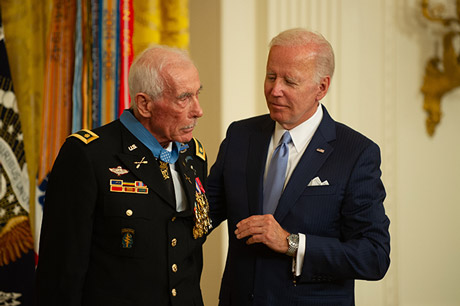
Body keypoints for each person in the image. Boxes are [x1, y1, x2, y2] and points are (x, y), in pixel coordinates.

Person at [207, 28, 391, 306]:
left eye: (290, 81)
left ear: (322, 87)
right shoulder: (240, 136)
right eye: (270, 76)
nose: (274, 90)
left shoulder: (355, 153)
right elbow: (201, 216)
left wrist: (293, 244)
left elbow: (374, 256)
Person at [36, 45, 212, 306]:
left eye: (197, 94)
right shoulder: (88, 155)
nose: (198, 110)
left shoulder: (193, 155)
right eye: (183, 98)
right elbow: (61, 272)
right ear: (144, 104)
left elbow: (189, 255)